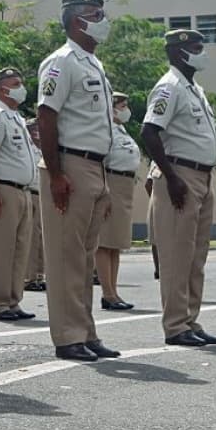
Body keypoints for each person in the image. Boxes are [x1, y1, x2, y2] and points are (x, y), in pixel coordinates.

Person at [35, 0, 122, 362]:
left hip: (94, 166)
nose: (103, 20)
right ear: (75, 21)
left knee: (85, 259)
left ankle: (86, 331)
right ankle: (68, 336)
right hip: (69, 164)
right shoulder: (61, 62)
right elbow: (46, 115)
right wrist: (55, 173)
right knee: (66, 257)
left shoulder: (93, 63)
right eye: (95, 14)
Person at [141, 29, 216, 346]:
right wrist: (171, 177)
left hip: (201, 176)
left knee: (196, 255)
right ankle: (175, 325)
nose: (202, 52)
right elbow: (149, 132)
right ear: (178, 52)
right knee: (177, 255)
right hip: (181, 176)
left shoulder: (194, 89)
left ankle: (190, 319)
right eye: (195, 47)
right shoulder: (169, 86)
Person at [0, 67, 38, 321]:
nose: (21, 87)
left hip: (22, 192)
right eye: (16, 83)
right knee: (1, 250)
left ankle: (13, 300)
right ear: (3, 89)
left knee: (20, 249)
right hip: (3, 190)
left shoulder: (16, 118)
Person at [97, 93, 141, 311]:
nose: (126, 109)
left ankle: (114, 291)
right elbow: (99, 163)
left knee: (116, 244)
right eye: (122, 106)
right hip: (111, 182)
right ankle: (107, 292)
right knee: (105, 242)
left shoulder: (121, 131)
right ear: (112, 109)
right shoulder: (104, 131)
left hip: (125, 185)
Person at [23, 118, 46, 292]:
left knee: (41, 238)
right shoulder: (28, 148)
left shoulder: (43, 149)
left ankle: (39, 275)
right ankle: (29, 277)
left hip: (43, 196)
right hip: (30, 193)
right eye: (33, 128)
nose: (37, 131)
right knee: (31, 238)